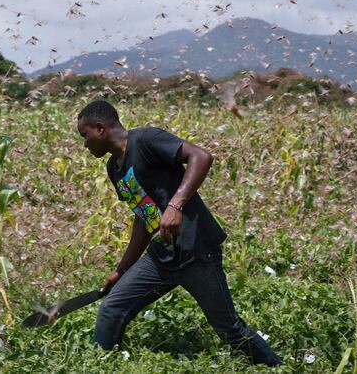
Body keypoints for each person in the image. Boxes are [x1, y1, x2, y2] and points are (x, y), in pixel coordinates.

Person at [75, 99, 282, 367]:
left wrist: (175, 205)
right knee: (111, 308)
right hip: (160, 257)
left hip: (196, 251)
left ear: (100, 128)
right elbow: (143, 216)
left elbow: (201, 156)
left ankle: (278, 368)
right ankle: (101, 367)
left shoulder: (146, 140)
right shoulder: (114, 169)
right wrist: (122, 269)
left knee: (229, 328)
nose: (85, 144)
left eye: (85, 135)